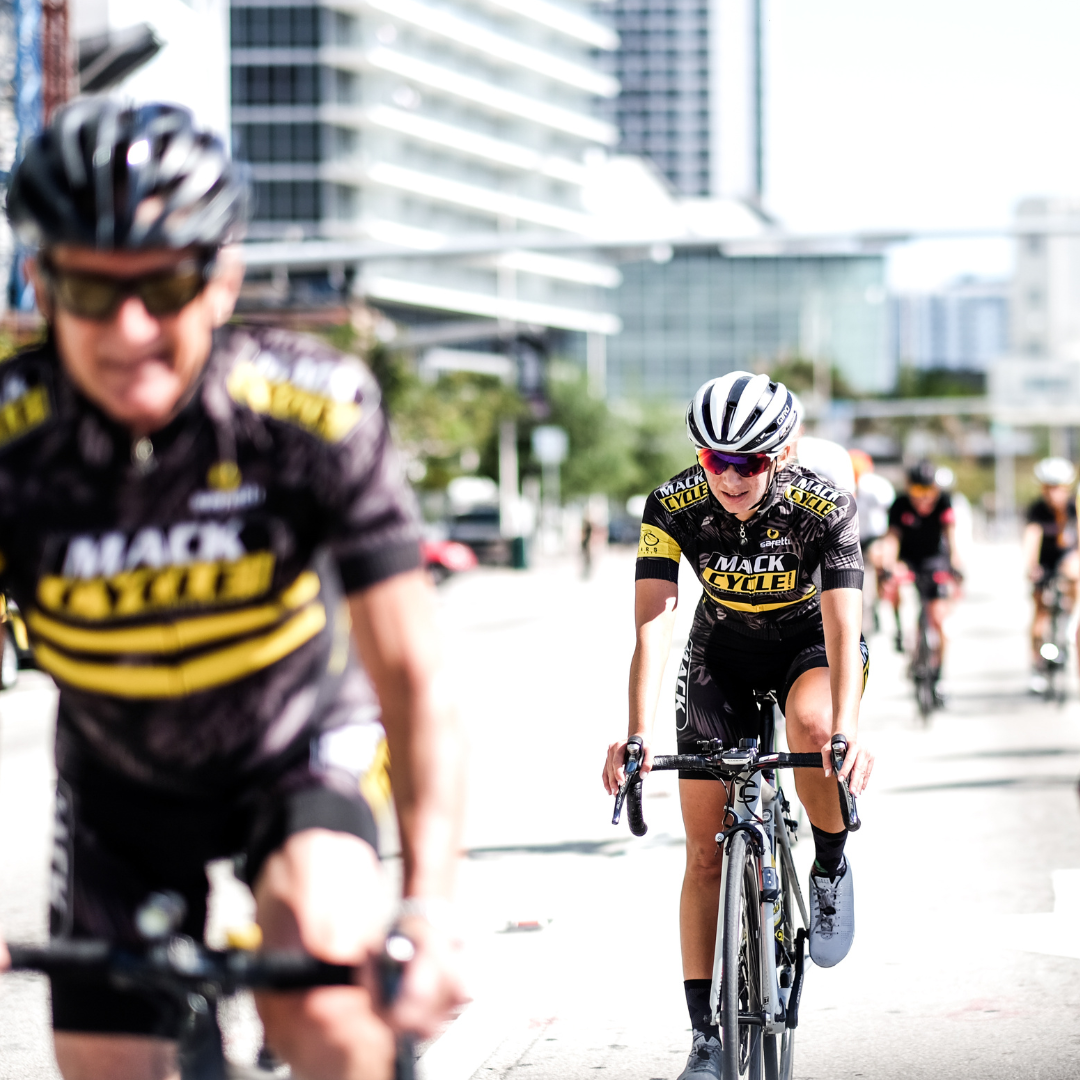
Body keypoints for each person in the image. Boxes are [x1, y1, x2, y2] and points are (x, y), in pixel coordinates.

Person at [0, 99, 466, 1080]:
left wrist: (425, 914)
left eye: (164, 286)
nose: (130, 332)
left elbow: (414, 680)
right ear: (42, 284)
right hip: (118, 781)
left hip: (292, 748)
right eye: (90, 293)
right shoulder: (14, 442)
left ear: (223, 279)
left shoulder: (309, 412)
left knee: (332, 1006)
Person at [601, 372, 874, 1080]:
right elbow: (653, 623)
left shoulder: (824, 503)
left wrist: (847, 730)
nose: (728, 477)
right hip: (719, 651)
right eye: (713, 460)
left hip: (809, 644)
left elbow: (846, 628)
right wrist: (635, 734)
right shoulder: (672, 504)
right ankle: (703, 1039)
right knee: (701, 853)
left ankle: (830, 867)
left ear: (780, 455)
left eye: (747, 461)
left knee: (812, 727)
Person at [879, 461, 963, 683]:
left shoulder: (944, 502)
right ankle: (901, 630)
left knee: (940, 622)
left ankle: (939, 674)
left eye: (929, 491)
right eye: (918, 491)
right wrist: (889, 564)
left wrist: (956, 563)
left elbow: (952, 536)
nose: (924, 498)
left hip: (935, 560)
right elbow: (892, 538)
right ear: (909, 488)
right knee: (899, 585)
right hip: (908, 560)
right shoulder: (900, 505)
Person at [1022, 457, 1079, 692]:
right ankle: (1038, 664)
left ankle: (1070, 619)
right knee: (1040, 614)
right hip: (1044, 562)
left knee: (1074, 578)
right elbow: (1031, 538)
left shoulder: (1075, 507)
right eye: (1048, 487)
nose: (1053, 493)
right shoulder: (1037, 509)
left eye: (1058, 488)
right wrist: (1030, 566)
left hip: (1069, 560)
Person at [849, 449, 895, 636]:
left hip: (874, 535)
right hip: (852, 537)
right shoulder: (839, 483)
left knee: (881, 561)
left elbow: (888, 517)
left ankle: (882, 592)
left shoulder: (876, 488)